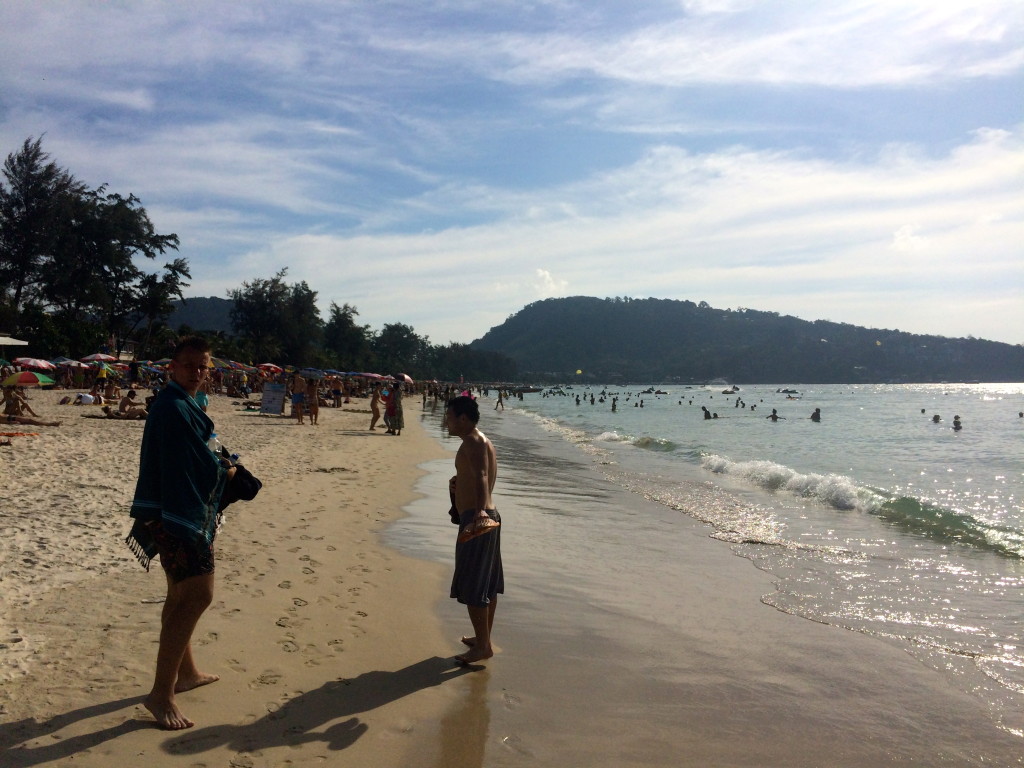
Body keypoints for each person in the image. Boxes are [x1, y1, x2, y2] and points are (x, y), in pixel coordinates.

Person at [125, 336, 235, 730]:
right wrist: (228, 471)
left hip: (165, 514)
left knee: (178, 595)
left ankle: (186, 674)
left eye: (203, 365)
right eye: (189, 365)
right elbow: (196, 466)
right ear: (172, 367)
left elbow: (194, 456)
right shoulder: (172, 408)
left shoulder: (182, 404)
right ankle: (160, 694)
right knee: (198, 596)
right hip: (177, 517)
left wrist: (218, 463)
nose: (197, 372)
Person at [445, 395, 502, 665]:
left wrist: (478, 510)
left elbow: (481, 476)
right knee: (486, 582)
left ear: (463, 419)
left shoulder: (474, 441)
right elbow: (483, 476)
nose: (447, 421)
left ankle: (483, 647)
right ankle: (483, 639)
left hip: (479, 518)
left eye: (450, 416)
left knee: (474, 582)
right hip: (483, 515)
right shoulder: (480, 441)